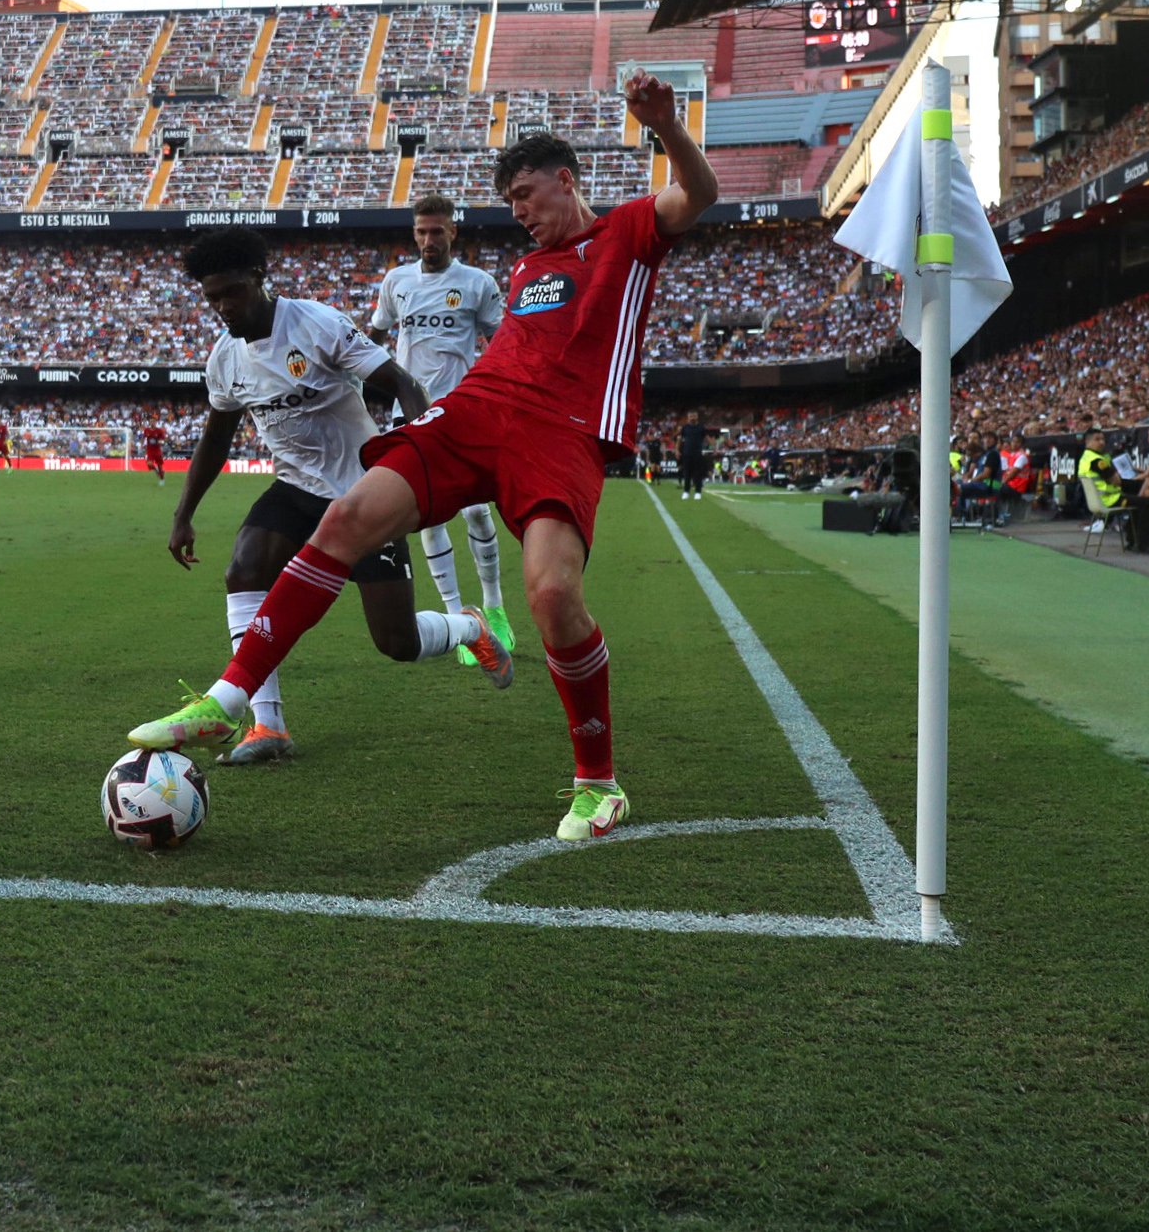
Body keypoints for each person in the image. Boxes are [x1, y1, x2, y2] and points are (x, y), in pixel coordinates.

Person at [128, 68, 719, 840]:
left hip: (559, 435)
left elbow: (696, 194)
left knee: (549, 599)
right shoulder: (525, 269)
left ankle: (596, 781)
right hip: (475, 412)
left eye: (527, 199)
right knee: (344, 516)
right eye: (509, 205)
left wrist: (665, 126)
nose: (519, 216)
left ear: (566, 182)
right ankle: (230, 702)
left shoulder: (629, 233)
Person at [163, 228, 512, 766]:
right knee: (244, 568)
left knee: (396, 641)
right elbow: (217, 437)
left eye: (231, 291)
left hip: (363, 492)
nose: (223, 307)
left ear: (258, 278)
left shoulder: (317, 323)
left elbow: (399, 381)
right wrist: (183, 515)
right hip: (296, 489)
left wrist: (423, 456)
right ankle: (267, 726)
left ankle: (471, 626)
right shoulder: (224, 359)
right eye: (212, 297)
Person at [368, 193, 514, 667]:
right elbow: (375, 336)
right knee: (427, 517)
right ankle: (459, 620)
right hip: (407, 415)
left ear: (454, 232)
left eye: (437, 231)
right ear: (414, 234)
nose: (429, 240)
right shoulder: (396, 282)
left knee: (475, 512)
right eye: (421, 232)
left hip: (462, 411)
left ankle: (494, 605)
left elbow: (503, 342)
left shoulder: (476, 283)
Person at [1078, 425, 1149, 553]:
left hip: (1102, 499)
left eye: (1103, 439)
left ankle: (1132, 541)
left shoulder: (1085, 458)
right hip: (1110, 499)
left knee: (1138, 493)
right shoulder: (1097, 461)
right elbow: (1116, 481)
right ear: (1088, 442)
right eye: (1097, 439)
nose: (1101, 442)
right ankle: (1144, 544)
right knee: (1147, 503)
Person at [677, 410, 713, 499]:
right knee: (687, 473)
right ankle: (686, 492)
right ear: (688, 417)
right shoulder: (685, 428)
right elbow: (679, 439)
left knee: (698, 474)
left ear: (697, 417)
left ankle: (698, 492)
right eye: (691, 416)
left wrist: (713, 447)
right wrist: (677, 450)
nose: (692, 418)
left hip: (697, 453)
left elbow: (707, 438)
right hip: (686, 453)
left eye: (694, 416)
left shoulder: (701, 428)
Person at [141, 418, 167, 486]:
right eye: (151, 421)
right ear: (149, 423)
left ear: (156, 422)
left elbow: (163, 439)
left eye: (153, 422)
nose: (152, 423)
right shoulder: (147, 430)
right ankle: (156, 471)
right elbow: (143, 437)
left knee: (160, 466)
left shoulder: (159, 430)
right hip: (149, 450)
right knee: (149, 463)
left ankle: (162, 479)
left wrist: (160, 441)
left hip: (157, 450)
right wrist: (142, 444)